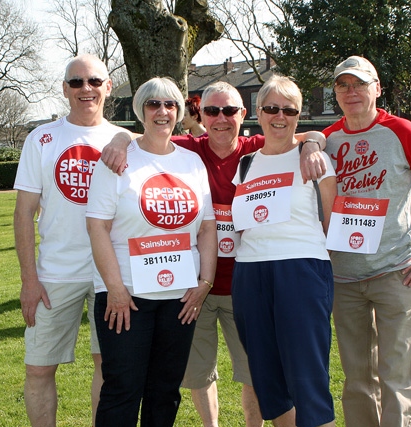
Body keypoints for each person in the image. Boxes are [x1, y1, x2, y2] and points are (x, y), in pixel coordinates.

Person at [101, 81, 328, 427]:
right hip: (192, 289)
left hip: (246, 284)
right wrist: (120, 137)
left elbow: (303, 130)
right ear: (199, 115)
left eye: (229, 111)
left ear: (244, 115)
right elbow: (147, 137)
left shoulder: (258, 148)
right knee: (196, 375)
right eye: (211, 111)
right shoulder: (186, 150)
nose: (221, 119)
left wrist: (313, 142)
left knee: (255, 371)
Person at [322, 56, 411, 426]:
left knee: (397, 377)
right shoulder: (327, 139)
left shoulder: (399, 131)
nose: (351, 92)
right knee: (357, 381)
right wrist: (309, 142)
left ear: (377, 89)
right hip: (343, 279)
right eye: (343, 85)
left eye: (360, 84)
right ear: (335, 92)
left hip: (396, 273)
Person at [86, 76, 218, 427]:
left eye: (170, 104)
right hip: (126, 297)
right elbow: (97, 226)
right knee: (122, 390)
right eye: (153, 104)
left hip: (180, 299)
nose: (162, 111)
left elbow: (206, 227)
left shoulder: (192, 163)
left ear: (179, 111)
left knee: (165, 391)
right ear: (140, 110)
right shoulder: (117, 159)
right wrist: (114, 288)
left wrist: (205, 282)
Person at [13, 53, 127, 427]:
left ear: (108, 87)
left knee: (106, 366)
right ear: (64, 89)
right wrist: (29, 279)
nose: (86, 89)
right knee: (39, 368)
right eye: (76, 82)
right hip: (54, 275)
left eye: (94, 81)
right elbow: (23, 214)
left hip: (109, 275)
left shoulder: (126, 142)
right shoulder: (41, 139)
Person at [229, 75, 337, 427]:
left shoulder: (314, 159)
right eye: (271, 108)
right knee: (266, 376)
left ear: (298, 114)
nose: (280, 116)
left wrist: (311, 143)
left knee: (307, 375)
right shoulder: (245, 164)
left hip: (301, 269)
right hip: (250, 272)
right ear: (257, 113)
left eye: (288, 110)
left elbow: (330, 222)